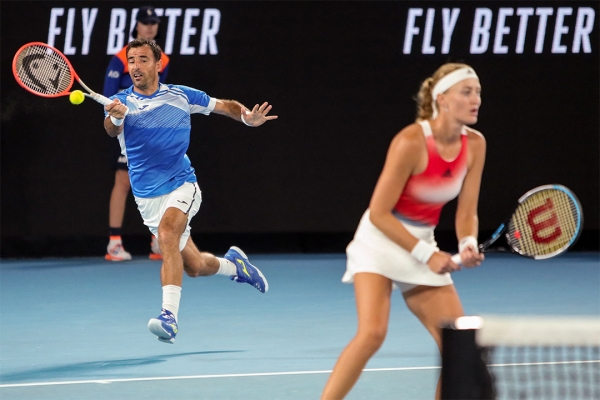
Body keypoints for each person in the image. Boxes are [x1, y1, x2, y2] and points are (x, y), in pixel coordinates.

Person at [321, 63, 487, 400]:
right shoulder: (410, 141)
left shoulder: (476, 144)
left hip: (422, 240)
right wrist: (428, 255)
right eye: (467, 92)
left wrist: (468, 242)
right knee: (372, 333)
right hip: (379, 242)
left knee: (458, 347)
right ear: (442, 99)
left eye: (478, 92)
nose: (476, 100)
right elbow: (379, 213)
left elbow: (467, 211)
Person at [103, 37, 277, 344]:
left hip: (181, 184)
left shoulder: (181, 96)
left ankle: (168, 318)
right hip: (147, 198)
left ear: (158, 64)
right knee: (195, 267)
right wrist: (115, 117)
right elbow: (111, 128)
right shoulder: (120, 102)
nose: (135, 66)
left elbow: (224, 106)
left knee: (167, 235)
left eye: (143, 59)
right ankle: (235, 266)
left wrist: (247, 118)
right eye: (131, 61)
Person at [103, 6, 170, 261]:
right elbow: (108, 95)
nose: (150, 27)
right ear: (137, 26)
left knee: (159, 180)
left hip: (152, 129)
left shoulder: (163, 60)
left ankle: (157, 241)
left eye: (153, 22)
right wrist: (117, 117)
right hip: (125, 129)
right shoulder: (121, 58)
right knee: (123, 182)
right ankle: (114, 244)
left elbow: (160, 94)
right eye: (145, 22)